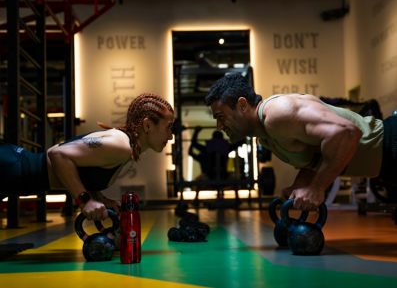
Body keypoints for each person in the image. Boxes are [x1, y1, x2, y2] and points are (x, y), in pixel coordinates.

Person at [205, 73, 397, 210]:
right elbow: (318, 154)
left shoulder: (278, 113)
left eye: (221, 116)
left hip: (392, 143)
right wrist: (301, 184)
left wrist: (317, 187)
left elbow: (346, 134)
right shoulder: (264, 136)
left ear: (242, 105)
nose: (219, 126)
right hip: (386, 166)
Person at [0, 93, 175, 220]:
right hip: (10, 168)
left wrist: (100, 198)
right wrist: (84, 200)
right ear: (147, 125)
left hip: (14, 173)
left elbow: (82, 169)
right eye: (168, 127)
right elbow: (57, 154)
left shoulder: (123, 144)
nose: (171, 136)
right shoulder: (120, 145)